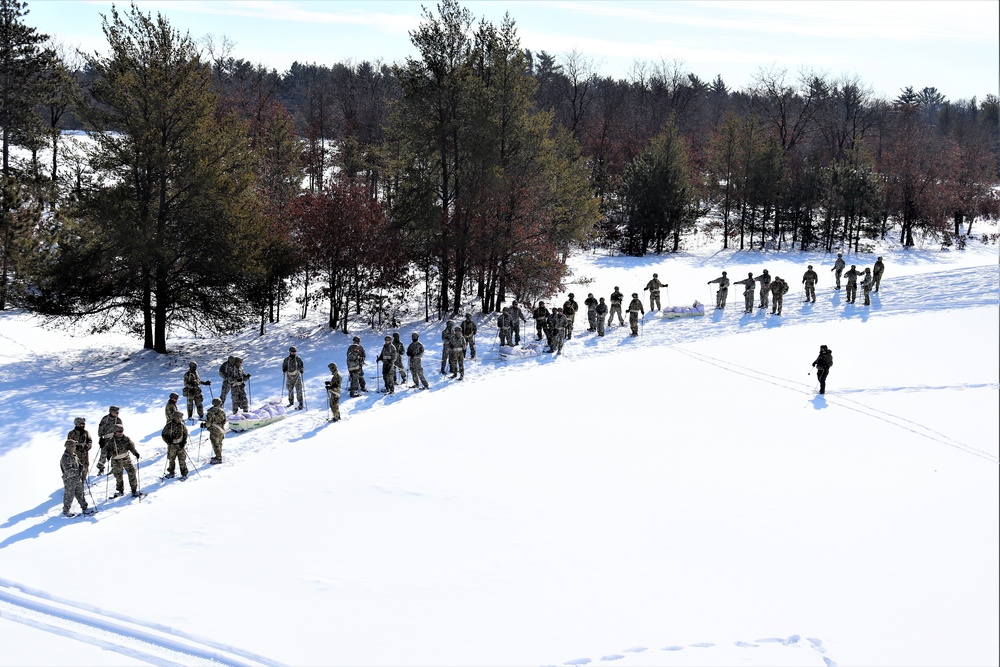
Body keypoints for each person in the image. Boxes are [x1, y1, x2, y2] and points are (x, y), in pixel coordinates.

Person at [104, 423, 140, 498]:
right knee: (118, 475)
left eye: (121, 431)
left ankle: (134, 489)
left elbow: (131, 446)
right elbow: (107, 449)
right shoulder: (111, 441)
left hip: (126, 458)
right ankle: (120, 490)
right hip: (116, 460)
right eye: (118, 431)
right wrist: (108, 455)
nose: (120, 432)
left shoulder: (126, 439)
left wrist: (135, 453)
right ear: (115, 432)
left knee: (132, 472)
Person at [60, 439, 92, 517]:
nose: (75, 447)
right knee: (69, 495)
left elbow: (78, 464)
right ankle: (66, 511)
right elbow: (68, 471)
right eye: (74, 446)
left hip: (77, 479)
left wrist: (81, 466)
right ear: (69, 447)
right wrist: (78, 470)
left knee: (80, 494)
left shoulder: (74, 455)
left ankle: (85, 508)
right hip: (69, 480)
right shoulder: (65, 458)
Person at [161, 411, 189, 479]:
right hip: (172, 446)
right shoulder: (169, 425)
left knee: (182, 460)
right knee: (171, 460)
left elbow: (185, 434)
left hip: (180, 445)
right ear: (176, 417)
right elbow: (163, 434)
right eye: (180, 417)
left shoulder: (182, 425)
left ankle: (184, 473)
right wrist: (168, 440)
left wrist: (183, 442)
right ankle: (171, 472)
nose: (181, 418)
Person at [95, 405, 122, 475]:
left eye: (118, 412)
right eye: (116, 412)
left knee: (114, 454)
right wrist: (101, 438)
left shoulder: (118, 420)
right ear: (111, 412)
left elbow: (121, 430)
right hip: (106, 439)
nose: (117, 413)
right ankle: (101, 468)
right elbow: (100, 428)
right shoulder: (105, 419)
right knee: (103, 454)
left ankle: (114, 468)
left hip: (115, 439)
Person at [66, 417, 93, 483]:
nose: (83, 425)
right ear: (77, 424)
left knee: (85, 468)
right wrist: (76, 447)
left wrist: (87, 446)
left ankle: (82, 481)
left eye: (83, 424)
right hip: (75, 455)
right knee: (76, 468)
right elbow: (69, 444)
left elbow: (90, 441)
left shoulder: (86, 432)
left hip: (85, 455)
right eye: (81, 424)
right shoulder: (71, 433)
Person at [204, 398, 227, 464]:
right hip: (221, 429)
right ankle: (219, 455)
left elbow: (208, 423)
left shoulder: (210, 412)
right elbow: (224, 420)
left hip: (214, 430)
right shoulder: (222, 411)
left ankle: (218, 458)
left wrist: (204, 425)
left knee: (215, 444)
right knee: (220, 443)